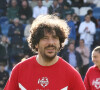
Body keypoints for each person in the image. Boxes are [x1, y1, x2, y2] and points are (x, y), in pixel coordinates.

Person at [4, 14, 85, 90]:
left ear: (60, 43)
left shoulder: (72, 75)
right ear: (36, 43)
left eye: (55, 38)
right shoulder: (19, 71)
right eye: (45, 38)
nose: (51, 42)